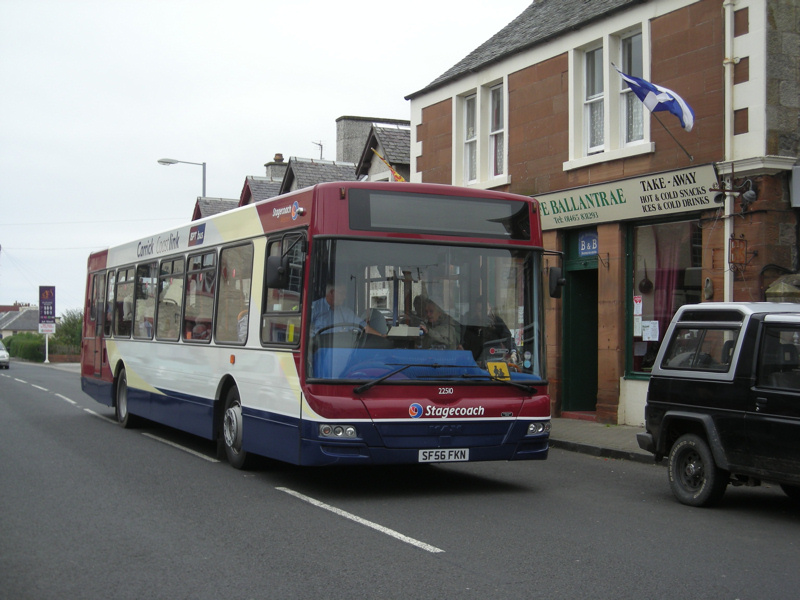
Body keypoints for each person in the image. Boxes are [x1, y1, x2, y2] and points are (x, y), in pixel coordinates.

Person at [310, 282, 383, 337]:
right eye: (342, 293)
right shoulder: (314, 308)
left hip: (343, 350)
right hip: (319, 351)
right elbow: (301, 331)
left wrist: (381, 336)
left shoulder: (345, 312)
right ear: (332, 292)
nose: (344, 297)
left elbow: (363, 326)